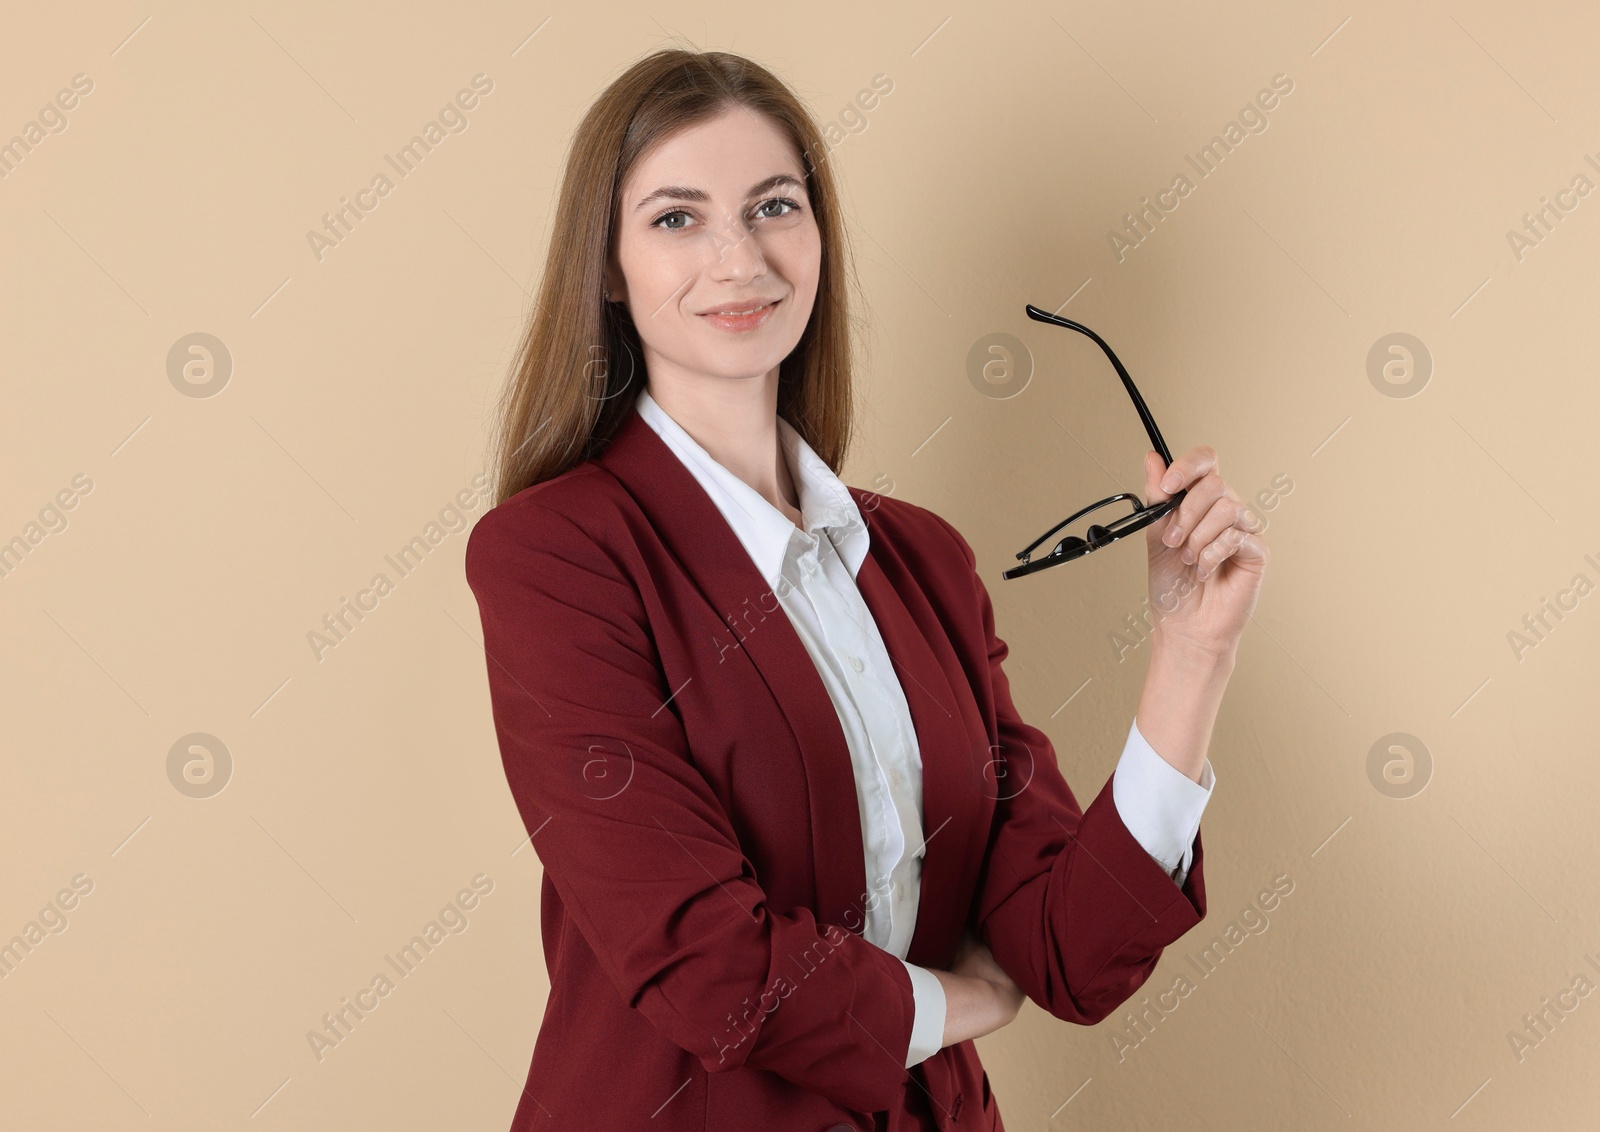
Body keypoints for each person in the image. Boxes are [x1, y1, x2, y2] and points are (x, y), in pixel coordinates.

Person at [465, 47, 1268, 1132]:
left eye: (773, 207)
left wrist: (1189, 655)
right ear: (606, 266)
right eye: (675, 218)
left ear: (819, 236)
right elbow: (708, 966)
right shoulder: (555, 555)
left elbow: (1070, 954)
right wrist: (952, 1003)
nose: (738, 256)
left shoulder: (922, 561)